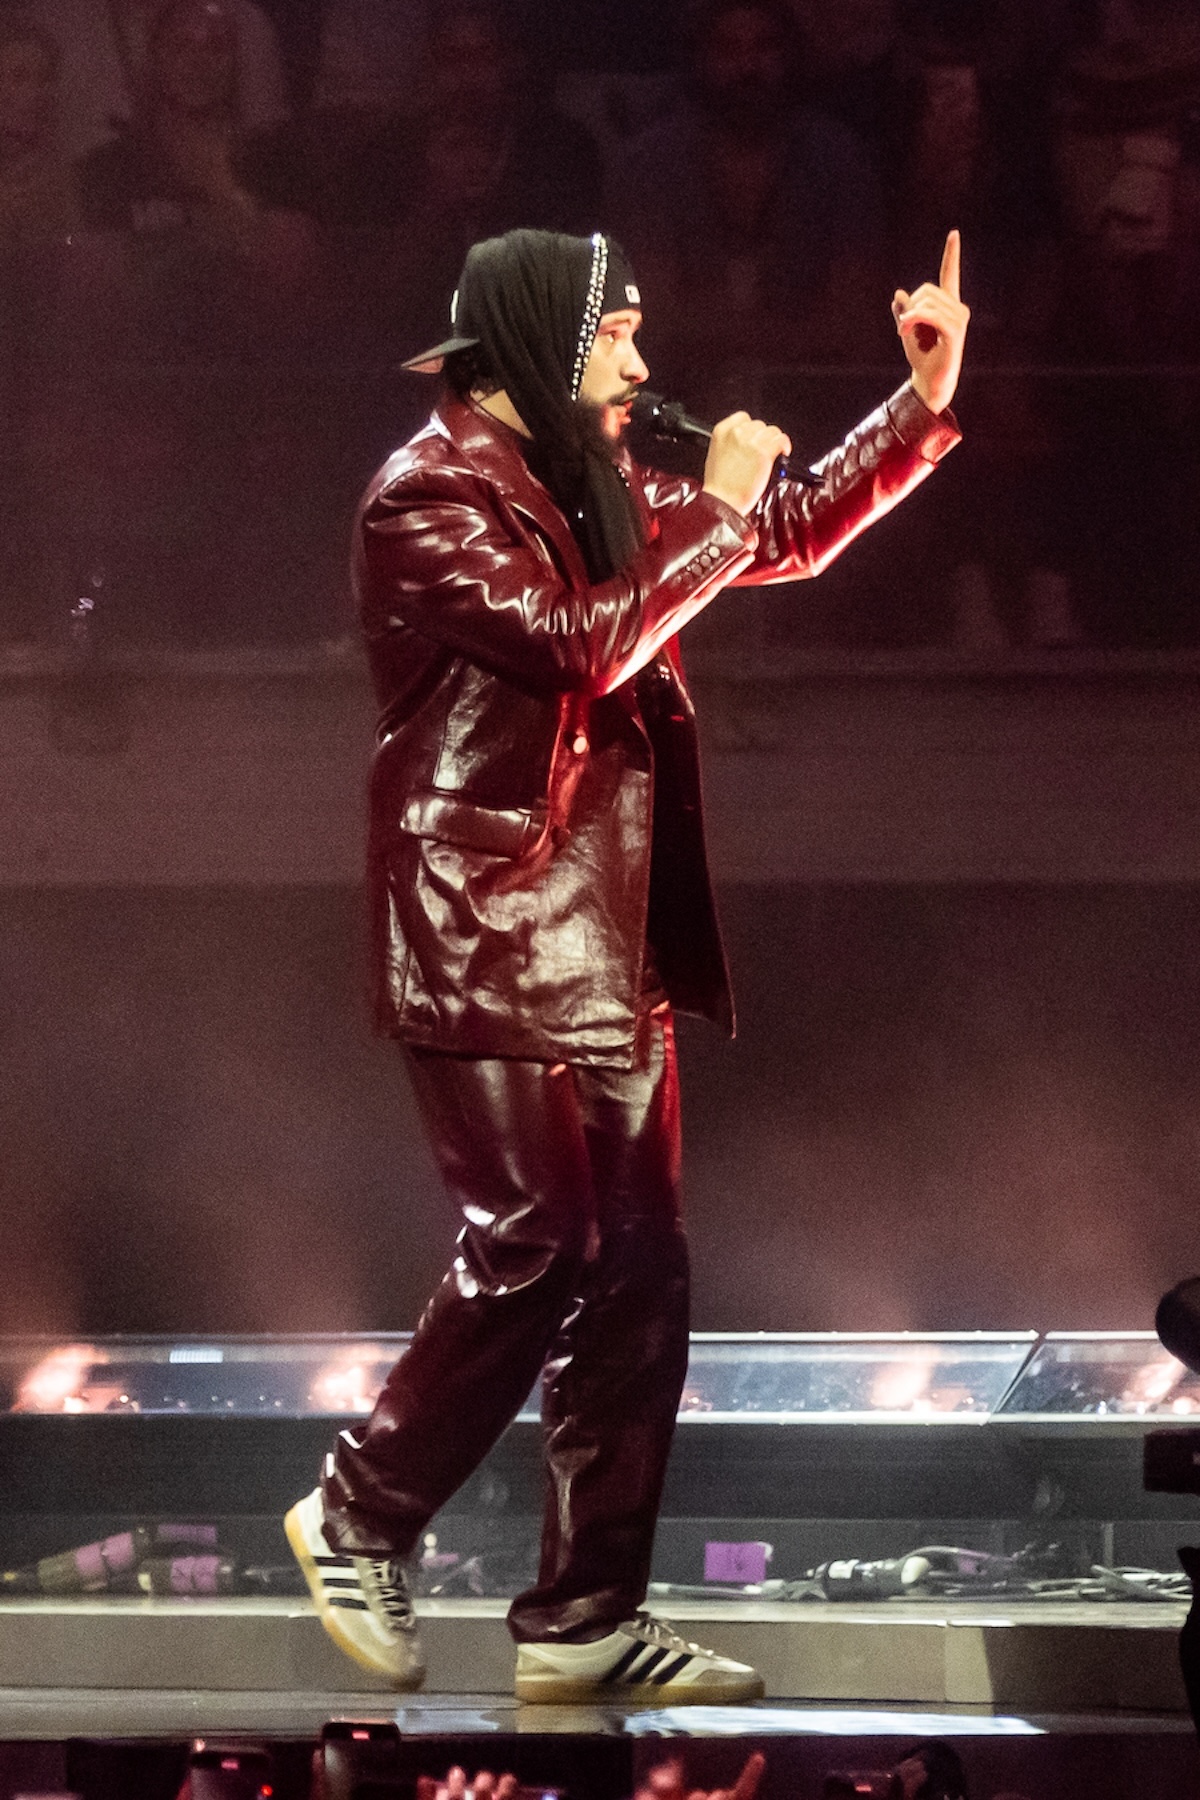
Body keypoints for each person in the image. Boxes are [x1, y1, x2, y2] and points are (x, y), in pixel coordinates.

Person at [284, 224, 968, 1702]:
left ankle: (585, 1619)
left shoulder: (595, 480)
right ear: (541, 341)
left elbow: (781, 528)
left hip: (608, 929)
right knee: (539, 1239)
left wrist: (916, 407)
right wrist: (712, 518)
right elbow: (580, 643)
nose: (644, 364)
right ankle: (358, 1509)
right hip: (482, 922)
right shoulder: (427, 495)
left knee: (642, 1273)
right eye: (619, 336)